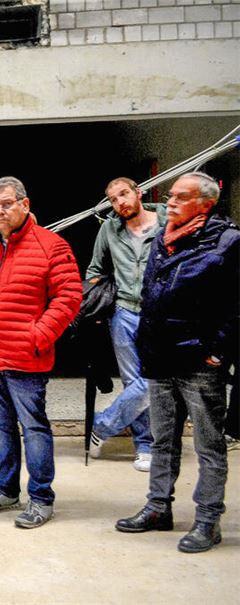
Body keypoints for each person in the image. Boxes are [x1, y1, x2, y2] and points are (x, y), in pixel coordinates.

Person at [115, 172, 238, 553]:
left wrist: (218, 351)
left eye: (181, 197)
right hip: (160, 357)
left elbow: (237, 307)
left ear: (205, 203)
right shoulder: (163, 238)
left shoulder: (228, 242)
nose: (170, 202)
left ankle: (207, 520)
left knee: (208, 444)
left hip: (200, 362)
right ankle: (157, 508)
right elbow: (152, 290)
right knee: (162, 439)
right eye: (170, 195)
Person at [0, 176, 81, 529]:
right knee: (0, 427)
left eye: (6, 204)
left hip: (26, 357)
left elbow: (69, 296)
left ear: (24, 204)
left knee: (34, 427)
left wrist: (38, 335)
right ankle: (7, 491)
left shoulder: (50, 246)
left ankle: (41, 497)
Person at [85, 177, 166, 472]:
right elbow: (94, 269)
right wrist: (101, 296)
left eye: (123, 195)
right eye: (114, 200)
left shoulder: (166, 221)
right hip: (124, 313)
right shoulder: (109, 228)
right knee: (136, 383)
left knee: (153, 382)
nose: (120, 203)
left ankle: (101, 425)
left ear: (138, 193)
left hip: (160, 314)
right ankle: (144, 446)